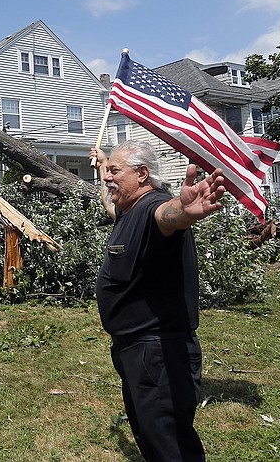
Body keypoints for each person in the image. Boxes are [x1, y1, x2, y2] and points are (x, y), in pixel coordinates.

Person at [89, 141, 225, 462]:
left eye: (115, 172)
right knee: (151, 437)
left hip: (159, 353)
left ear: (143, 174)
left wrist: (185, 210)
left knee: (171, 447)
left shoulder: (155, 207)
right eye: (108, 173)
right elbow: (111, 204)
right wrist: (104, 164)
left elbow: (169, 217)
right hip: (136, 351)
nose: (109, 179)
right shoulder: (128, 210)